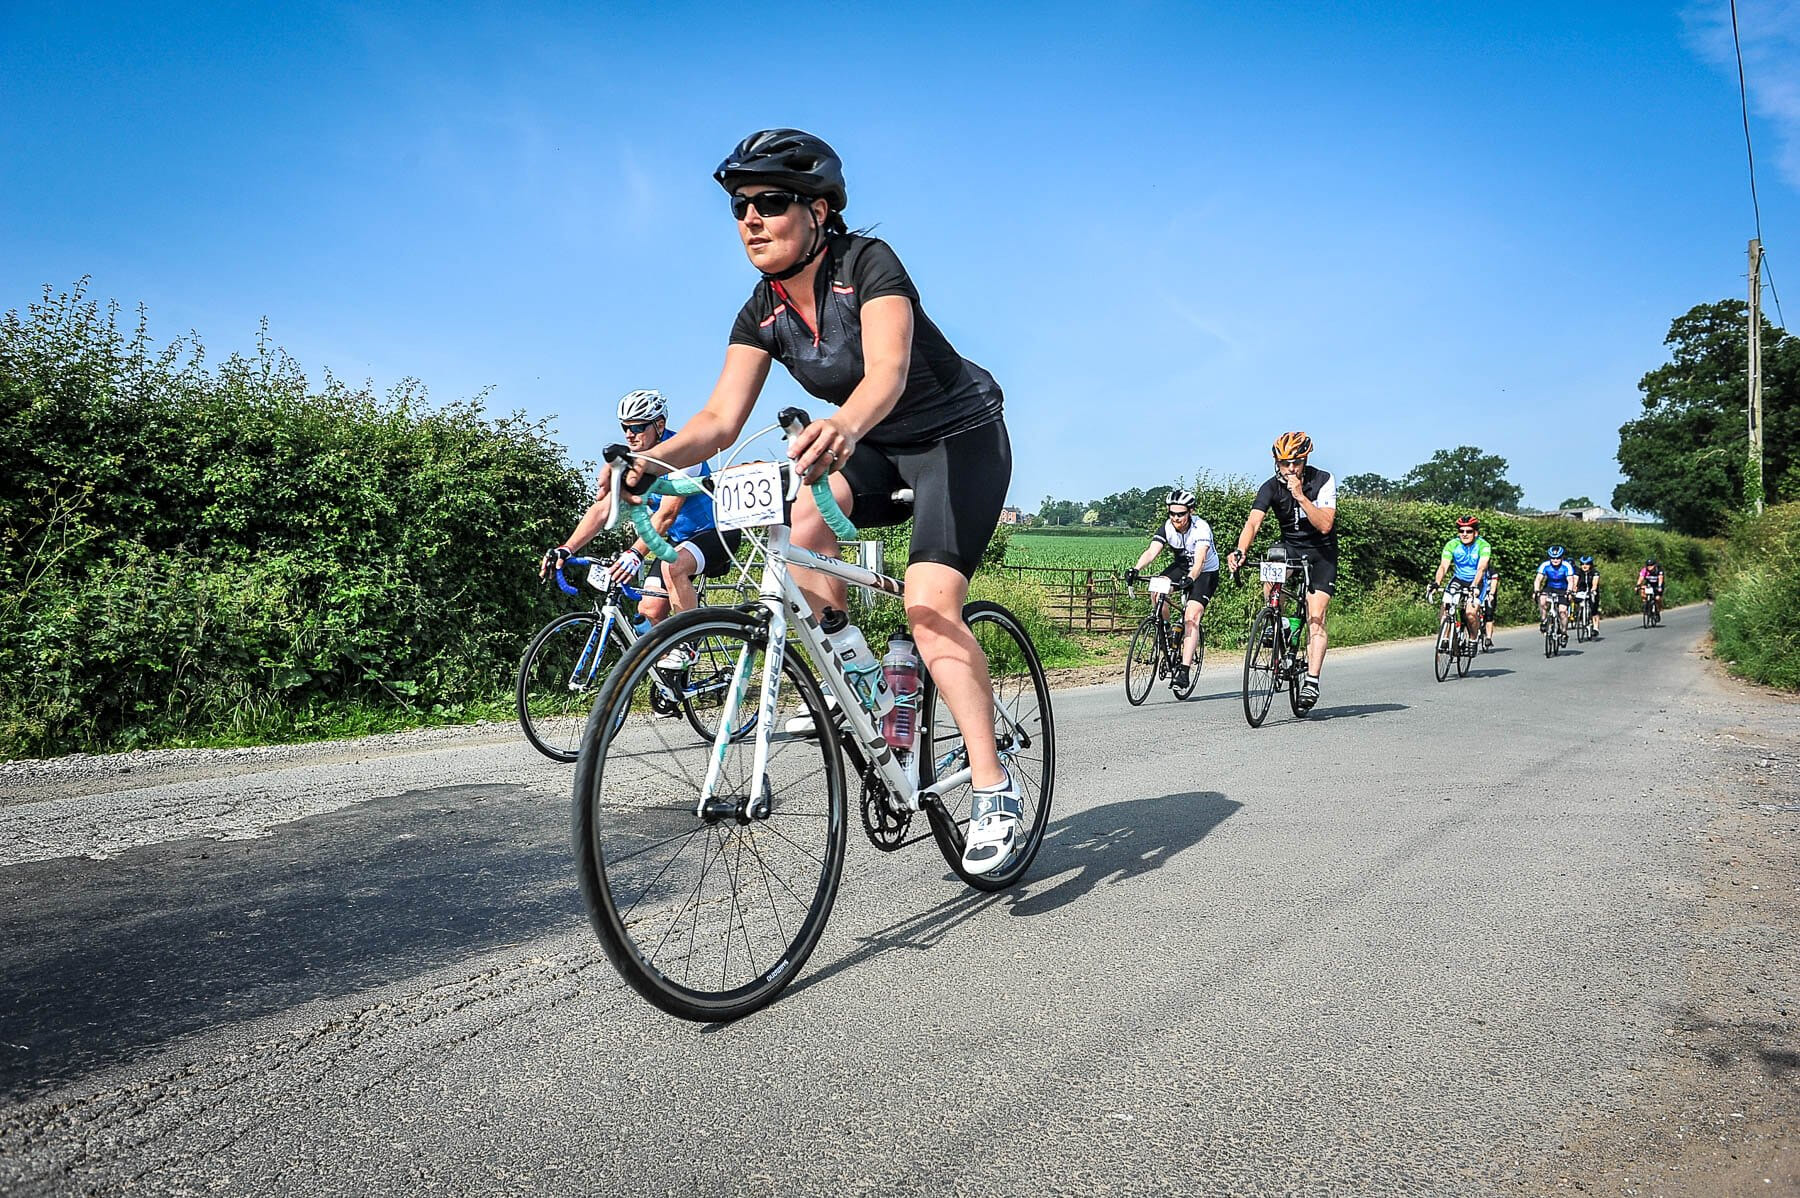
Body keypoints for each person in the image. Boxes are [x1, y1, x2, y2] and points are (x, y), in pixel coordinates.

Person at [617, 129, 1020, 875]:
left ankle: (993, 789)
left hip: (955, 438)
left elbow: (890, 372)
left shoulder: (868, 264)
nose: (750, 219)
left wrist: (842, 424)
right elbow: (716, 423)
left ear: (821, 209)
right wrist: (648, 460)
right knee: (802, 518)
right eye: (740, 207)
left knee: (929, 609)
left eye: (771, 202)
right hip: (869, 443)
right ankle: (855, 668)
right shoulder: (761, 311)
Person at [540, 389, 742, 627]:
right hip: (681, 540)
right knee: (649, 610)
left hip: (717, 532)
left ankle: (687, 646)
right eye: (625, 427)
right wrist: (567, 548)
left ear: (659, 424)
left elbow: (667, 514)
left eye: (638, 428)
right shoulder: (634, 463)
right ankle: (668, 662)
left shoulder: (685, 454)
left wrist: (635, 554)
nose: (630, 434)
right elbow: (602, 509)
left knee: (673, 566)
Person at [1227, 431, 1338, 713]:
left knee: (1316, 617)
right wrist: (1241, 551)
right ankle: (1277, 619)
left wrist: (1300, 496)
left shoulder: (1323, 480)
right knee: (1272, 563)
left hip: (1321, 552)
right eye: (1284, 463)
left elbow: (1325, 524)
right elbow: (1253, 523)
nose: (1290, 469)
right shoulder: (1270, 487)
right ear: (1276, 462)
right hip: (1291, 548)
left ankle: (1312, 680)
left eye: (1296, 463)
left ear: (1305, 460)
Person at [1126, 488, 1219, 691]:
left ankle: (1184, 671)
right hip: (1182, 566)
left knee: (1191, 616)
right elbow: (1152, 551)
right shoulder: (1167, 527)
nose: (1176, 518)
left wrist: (1190, 579)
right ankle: (1167, 630)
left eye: (1181, 513)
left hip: (1204, 572)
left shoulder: (1201, 528)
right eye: (1172, 513)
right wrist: (1135, 569)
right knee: (1157, 592)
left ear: (1190, 511)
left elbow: (1200, 560)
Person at [1430, 515, 1491, 646]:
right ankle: (1445, 638)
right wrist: (1437, 583)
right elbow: (1443, 566)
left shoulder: (1483, 545)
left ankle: (1473, 639)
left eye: (1468, 531)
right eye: (1461, 531)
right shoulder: (1452, 544)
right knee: (1446, 605)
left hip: (1477, 581)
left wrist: (1474, 586)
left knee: (1470, 613)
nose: (1464, 534)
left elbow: (1481, 568)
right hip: (1459, 579)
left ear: (1475, 533)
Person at [1534, 545, 1576, 643]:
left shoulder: (1567, 566)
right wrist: (1536, 590)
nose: (1555, 560)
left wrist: (1569, 591)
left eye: (1558, 558)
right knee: (1542, 600)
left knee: (1562, 611)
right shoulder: (1545, 565)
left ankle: (1564, 632)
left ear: (1562, 558)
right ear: (1549, 558)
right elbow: (1538, 579)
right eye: (1553, 558)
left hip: (1563, 589)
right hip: (1550, 587)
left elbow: (1570, 580)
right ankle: (1544, 619)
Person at [1573, 554, 1601, 639]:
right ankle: (1579, 614)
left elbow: (1595, 583)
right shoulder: (1578, 572)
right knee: (1576, 600)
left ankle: (1595, 628)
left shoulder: (1595, 572)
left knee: (1593, 609)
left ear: (1591, 565)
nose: (1584, 566)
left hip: (1591, 591)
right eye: (1582, 564)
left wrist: (1593, 590)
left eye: (1587, 564)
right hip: (1581, 591)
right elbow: (1575, 582)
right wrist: (1574, 590)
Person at [1479, 557, 1500, 650]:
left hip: (1489, 593)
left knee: (1489, 615)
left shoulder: (1492, 572)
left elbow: (1494, 584)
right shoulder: (1474, 570)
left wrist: (1491, 594)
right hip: (1478, 593)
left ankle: (1488, 638)